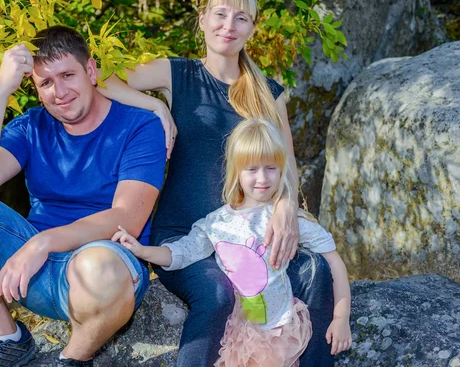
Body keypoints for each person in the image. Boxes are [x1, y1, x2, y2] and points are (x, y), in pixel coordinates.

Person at [98, 0, 337, 367]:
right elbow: (104, 77)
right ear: (203, 18)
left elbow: (287, 164)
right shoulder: (177, 74)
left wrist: (285, 208)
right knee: (218, 294)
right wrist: (156, 106)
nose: (229, 25)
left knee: (316, 269)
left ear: (253, 29)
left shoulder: (269, 93)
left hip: (250, 233)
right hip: (185, 234)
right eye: (221, 14)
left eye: (241, 18)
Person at [0, 26, 166, 366]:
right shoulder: (31, 126)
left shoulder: (139, 127)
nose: (60, 91)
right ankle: (9, 340)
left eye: (68, 75)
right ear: (37, 91)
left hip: (103, 276)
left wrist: (43, 244)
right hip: (33, 276)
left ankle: (72, 358)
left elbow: (127, 218)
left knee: (99, 266)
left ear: (91, 71)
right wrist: (1, 89)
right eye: (46, 83)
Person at [113, 118, 352, 367]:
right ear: (237, 172)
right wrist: (141, 250)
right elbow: (181, 253)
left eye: (271, 167)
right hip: (242, 336)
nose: (262, 178)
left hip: (283, 331)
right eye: (252, 169)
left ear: (282, 170)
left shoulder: (286, 221)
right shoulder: (216, 224)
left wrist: (341, 317)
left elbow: (333, 260)